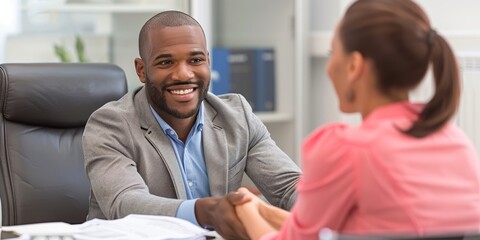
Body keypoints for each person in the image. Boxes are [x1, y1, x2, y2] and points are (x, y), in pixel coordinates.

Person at [234, 0, 480, 239]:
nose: (330, 68)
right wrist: (263, 210)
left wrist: (244, 209)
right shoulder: (455, 140)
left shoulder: (347, 149)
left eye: (333, 54)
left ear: (354, 66)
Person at [82, 10, 301, 239]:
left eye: (196, 60)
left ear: (207, 60)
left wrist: (327, 207)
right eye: (166, 62)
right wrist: (206, 211)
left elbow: (288, 187)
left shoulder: (237, 116)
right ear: (141, 70)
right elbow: (124, 204)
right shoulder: (110, 124)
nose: (184, 74)